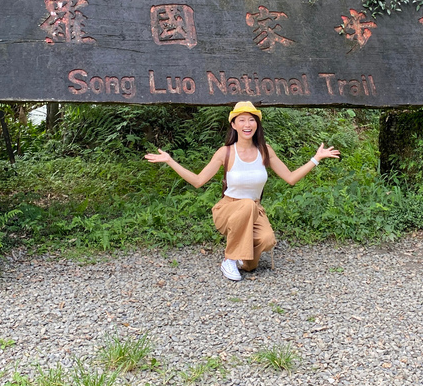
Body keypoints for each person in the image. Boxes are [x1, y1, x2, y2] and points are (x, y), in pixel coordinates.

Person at [144, 101, 340, 281]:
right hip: (228, 209)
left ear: (257, 124)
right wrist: (170, 161)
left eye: (252, 120)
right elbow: (198, 181)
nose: (247, 124)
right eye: (242, 120)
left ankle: (242, 260)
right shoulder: (226, 152)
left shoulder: (265, 150)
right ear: (234, 125)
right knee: (246, 204)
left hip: (254, 209)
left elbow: (290, 178)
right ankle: (229, 259)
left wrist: (316, 159)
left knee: (267, 240)